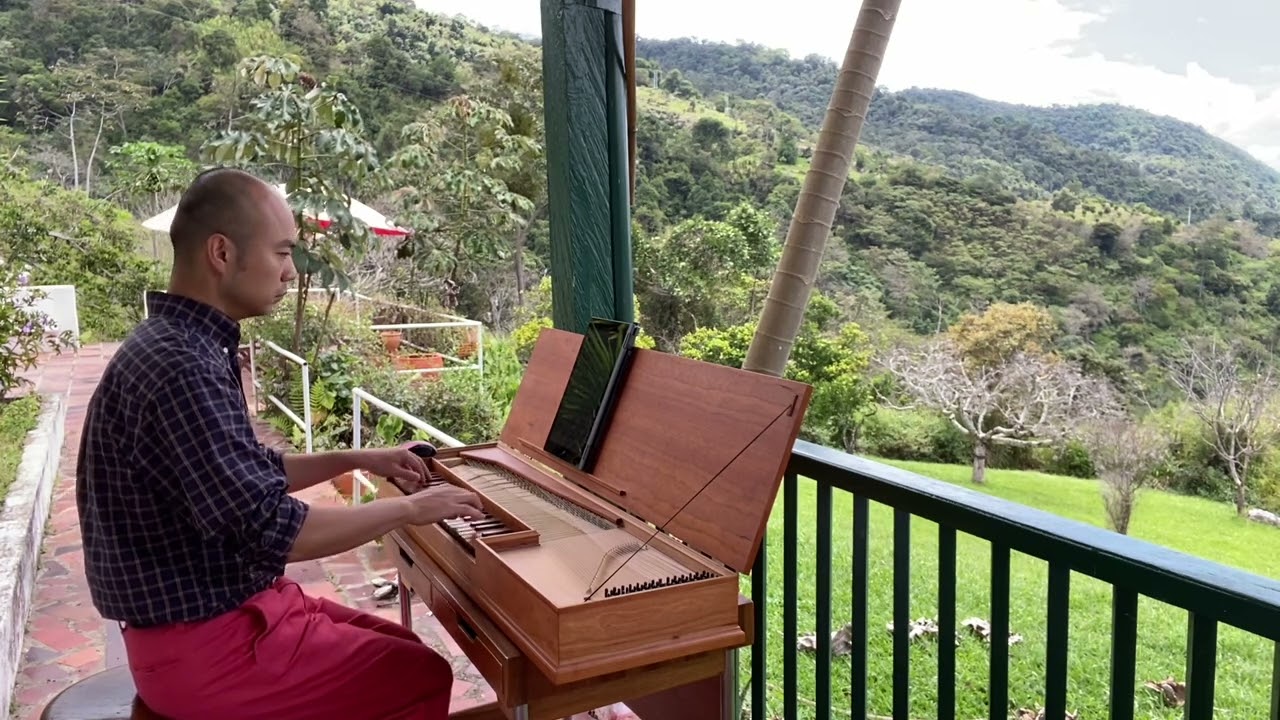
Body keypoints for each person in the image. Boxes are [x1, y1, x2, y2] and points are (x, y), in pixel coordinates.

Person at [75, 167, 484, 720]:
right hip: (203, 645)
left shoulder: (182, 343)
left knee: (406, 652)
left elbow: (245, 476)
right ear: (221, 253)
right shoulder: (181, 367)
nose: (291, 272)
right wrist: (410, 509)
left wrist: (358, 457)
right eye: (283, 253)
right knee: (419, 676)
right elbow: (271, 529)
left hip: (219, 616)